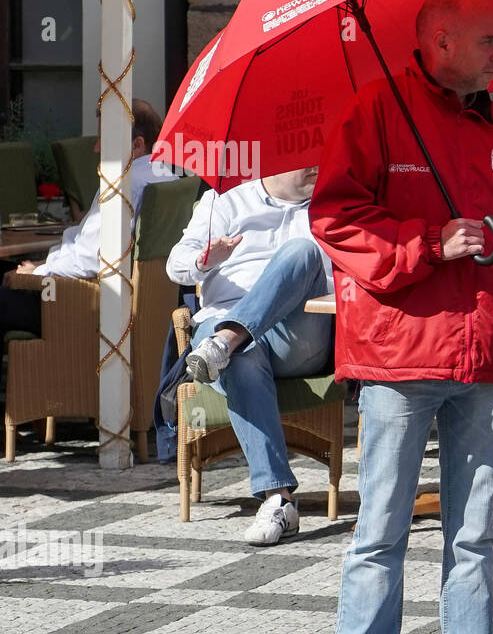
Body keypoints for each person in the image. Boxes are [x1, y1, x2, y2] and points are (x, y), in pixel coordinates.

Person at [304, 0, 493, 634]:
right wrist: (425, 242)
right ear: (441, 40)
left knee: (474, 535)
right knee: (378, 533)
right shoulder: (375, 110)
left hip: (481, 356)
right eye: (488, 38)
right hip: (398, 356)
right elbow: (335, 219)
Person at [167, 167, 335, 545]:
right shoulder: (224, 199)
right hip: (226, 327)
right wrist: (205, 260)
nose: (317, 164)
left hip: (299, 336)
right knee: (239, 357)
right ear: (279, 155)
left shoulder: (336, 205)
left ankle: (228, 339)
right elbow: (175, 265)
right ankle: (279, 499)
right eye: (307, 155)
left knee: (302, 251)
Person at [0, 101, 169, 335]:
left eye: (104, 138)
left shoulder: (124, 187)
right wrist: (44, 264)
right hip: (136, 306)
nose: (96, 148)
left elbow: (89, 261)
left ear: (137, 145)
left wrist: (37, 273)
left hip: (80, 305)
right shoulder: (167, 179)